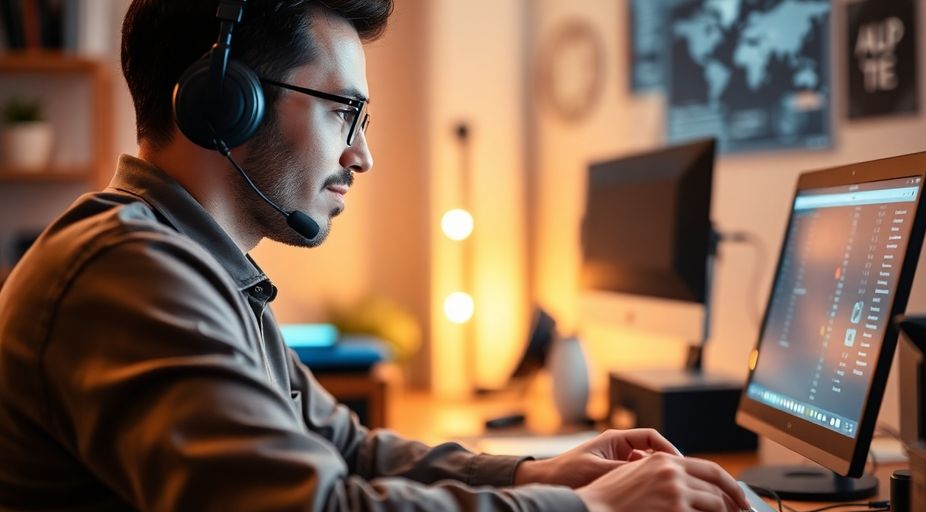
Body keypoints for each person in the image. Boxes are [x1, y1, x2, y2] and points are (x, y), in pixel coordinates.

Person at [0, 1, 751, 510]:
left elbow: (344, 448)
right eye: (342, 111)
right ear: (223, 100)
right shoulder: (124, 271)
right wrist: (582, 507)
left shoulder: (196, 266)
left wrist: (537, 470)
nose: (362, 155)